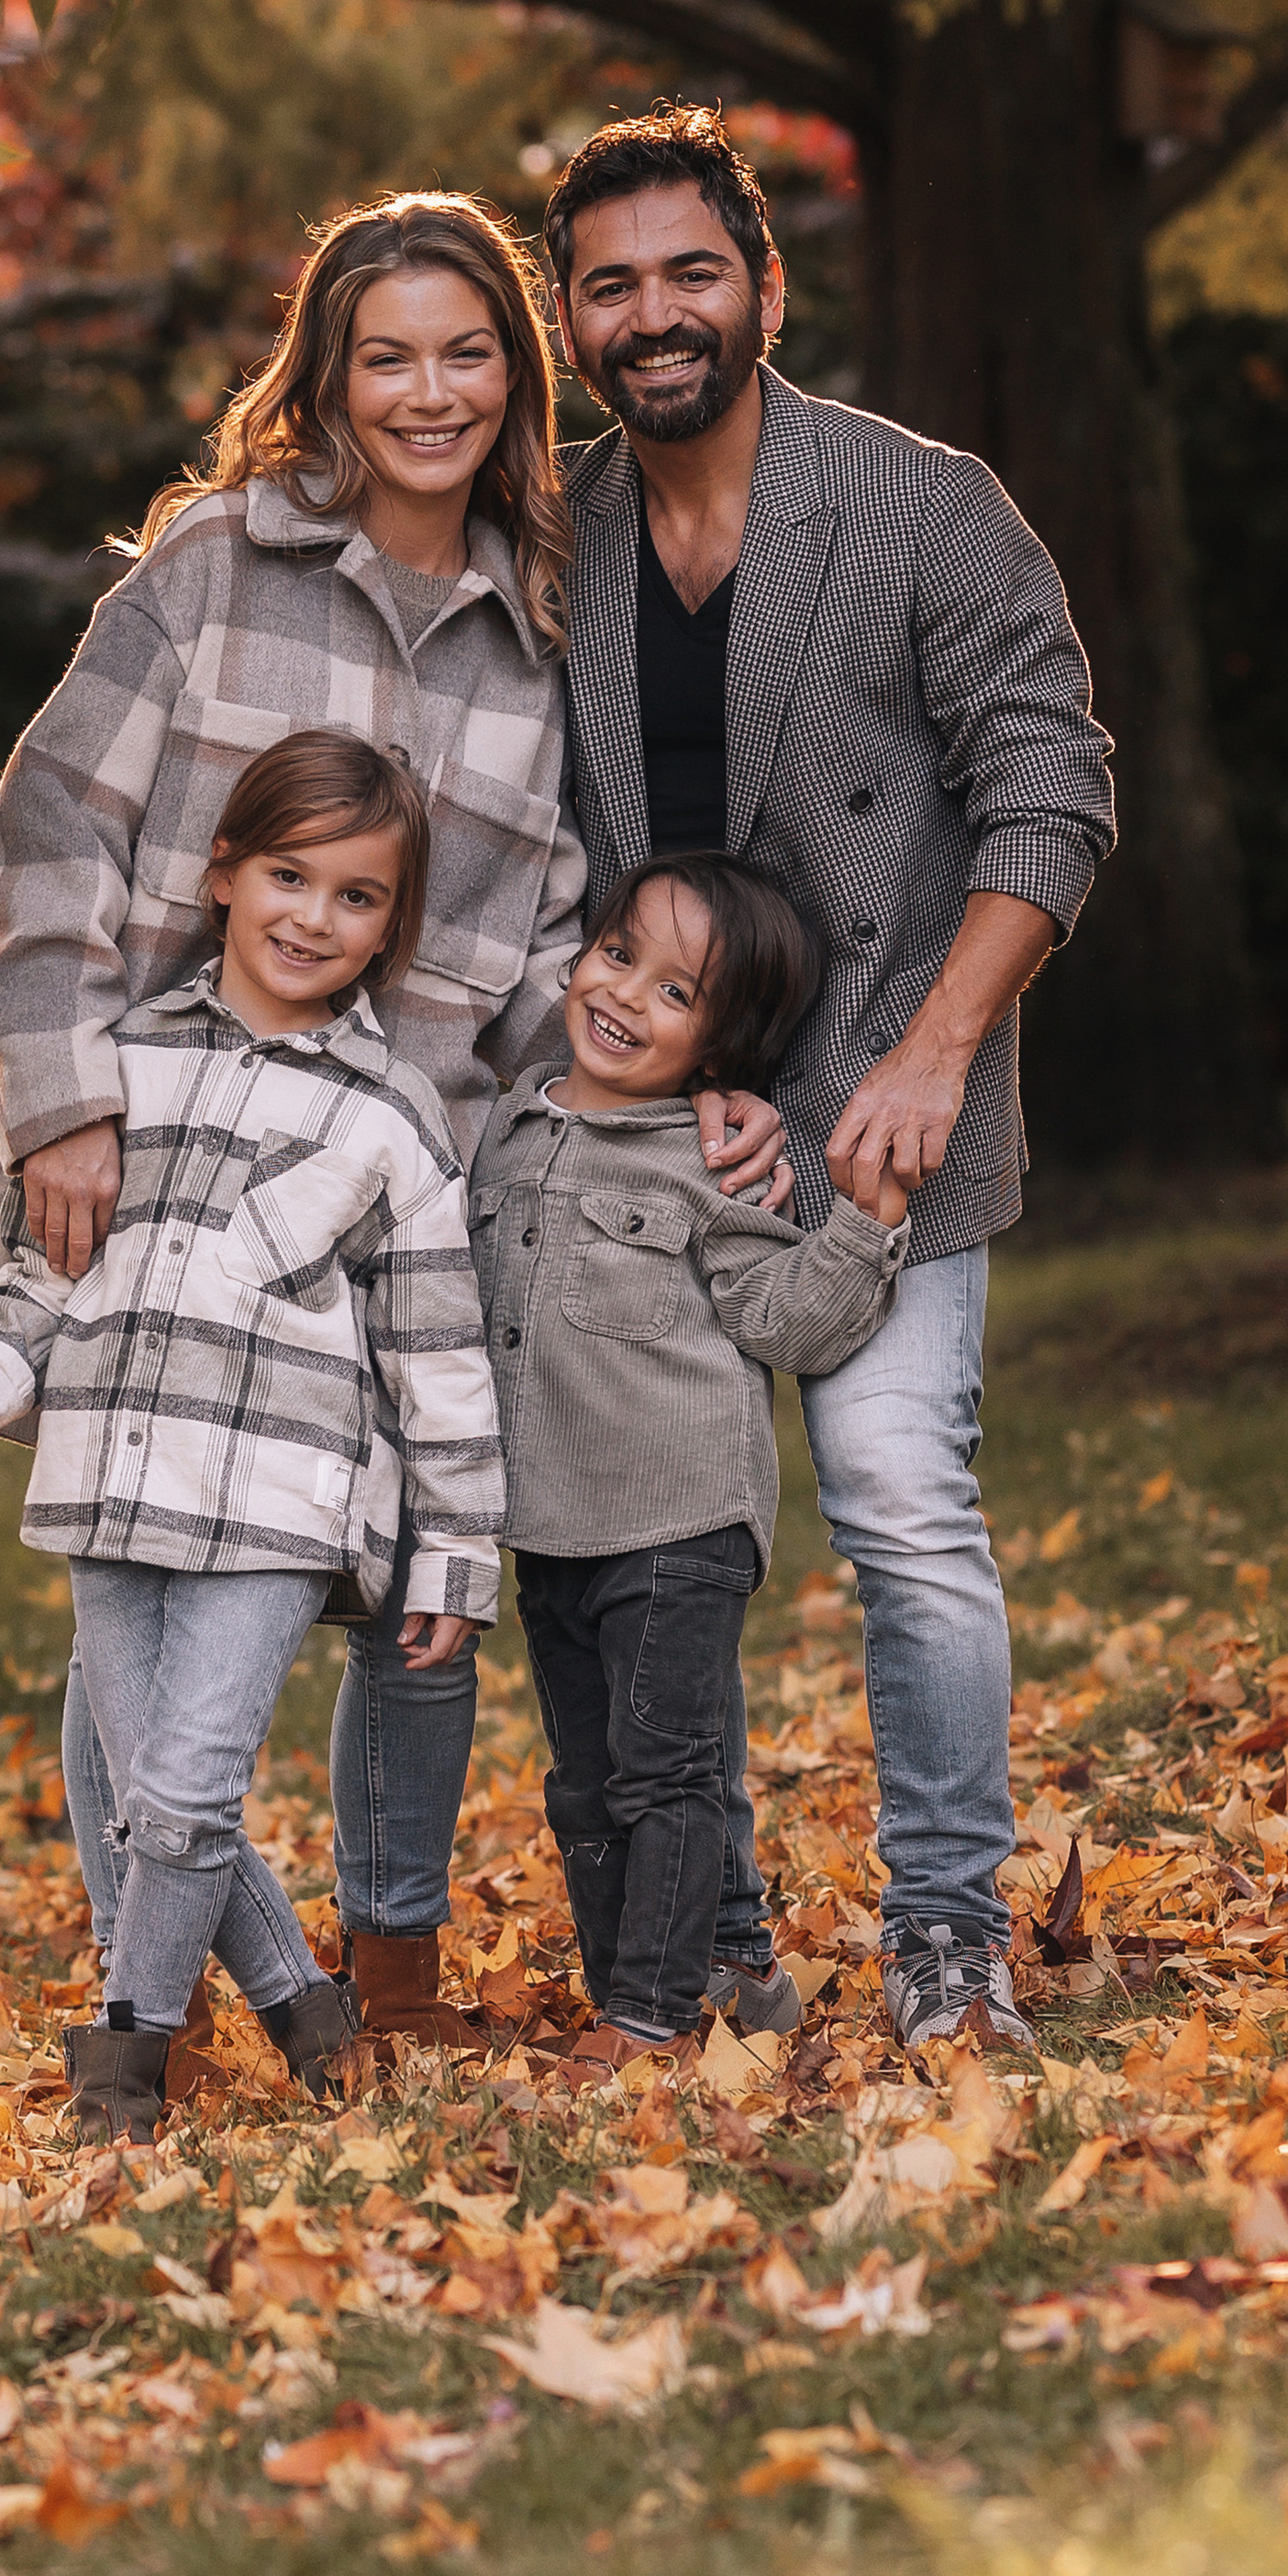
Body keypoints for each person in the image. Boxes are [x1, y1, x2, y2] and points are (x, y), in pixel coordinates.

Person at [0, 191, 787, 2076]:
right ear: (320, 375)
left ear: (518, 379)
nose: (426, 390)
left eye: (467, 352)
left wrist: (656, 1063)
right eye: (382, 353)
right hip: (138, 1140)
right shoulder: (211, 571)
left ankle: (377, 1987)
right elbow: (47, 835)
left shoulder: (541, 619)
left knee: (406, 1564)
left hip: (405, 1178)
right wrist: (58, 1101)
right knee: (138, 1570)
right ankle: (146, 1968)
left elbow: (558, 934)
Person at [543, 106, 1118, 2057]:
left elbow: (1052, 792)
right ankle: (710, 1947)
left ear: (764, 285)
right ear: (566, 317)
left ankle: (946, 1938)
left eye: (688, 271)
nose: (653, 314)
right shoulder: (561, 535)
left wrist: (934, 1055)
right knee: (642, 1542)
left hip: (891, 1106)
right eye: (608, 284)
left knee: (895, 1503)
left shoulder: (918, 506)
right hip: (650, 1126)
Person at [0, 734, 503, 2144]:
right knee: (147, 1806)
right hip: (110, 1486)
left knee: (182, 1792)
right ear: (223, 873)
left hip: (276, 1510)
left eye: (357, 899)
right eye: (288, 876)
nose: (313, 918)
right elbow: (52, 1279)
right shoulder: (117, 1067)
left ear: (389, 929)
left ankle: (122, 2069)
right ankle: (304, 2010)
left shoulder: (391, 1120)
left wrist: (459, 1548)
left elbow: (439, 1353)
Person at [472, 854, 910, 2083]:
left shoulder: (710, 1161)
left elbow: (783, 1317)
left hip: (677, 1521)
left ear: (722, 1052)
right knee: (585, 1784)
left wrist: (865, 1223)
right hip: (547, 1520)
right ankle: (694, 1988)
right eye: (619, 955)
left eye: (677, 994)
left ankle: (650, 2025)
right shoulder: (508, 1124)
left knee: (665, 1772)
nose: (624, 996)